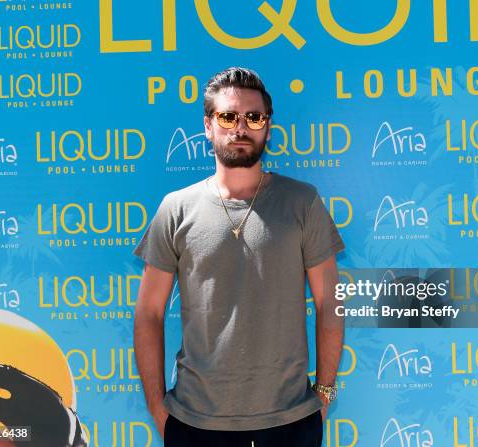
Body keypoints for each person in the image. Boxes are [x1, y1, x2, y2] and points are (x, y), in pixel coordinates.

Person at [133, 67, 345, 447]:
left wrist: (324, 396)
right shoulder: (175, 209)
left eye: (254, 117)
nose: (241, 127)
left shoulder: (302, 202)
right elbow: (149, 312)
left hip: (292, 420)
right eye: (228, 116)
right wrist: (157, 407)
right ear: (208, 125)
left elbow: (329, 302)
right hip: (194, 423)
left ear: (267, 125)